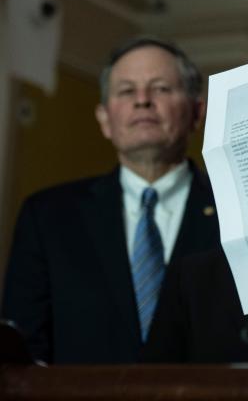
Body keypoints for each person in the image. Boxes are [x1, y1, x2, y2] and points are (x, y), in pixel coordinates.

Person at [2, 37, 220, 364]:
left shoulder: (236, 210)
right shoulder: (48, 216)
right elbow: (23, 355)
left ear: (197, 111)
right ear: (104, 118)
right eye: (127, 91)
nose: (143, 101)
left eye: (160, 88)